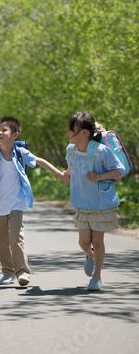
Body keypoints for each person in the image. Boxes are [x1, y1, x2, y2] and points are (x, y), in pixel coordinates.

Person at [0, 116, 66, 287]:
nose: (0, 133)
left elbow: (40, 161)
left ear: (15, 134)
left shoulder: (20, 153)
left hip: (17, 202)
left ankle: (22, 272)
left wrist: (59, 174)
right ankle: (7, 272)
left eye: (4, 130)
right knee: (0, 242)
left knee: (16, 236)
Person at [61, 112, 125, 291]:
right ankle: (89, 255)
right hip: (82, 202)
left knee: (97, 241)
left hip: (100, 202)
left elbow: (118, 170)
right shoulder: (71, 150)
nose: (68, 133)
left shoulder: (101, 151)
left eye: (72, 130)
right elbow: (69, 172)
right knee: (83, 242)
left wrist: (99, 176)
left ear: (83, 132)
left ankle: (96, 277)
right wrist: (57, 172)